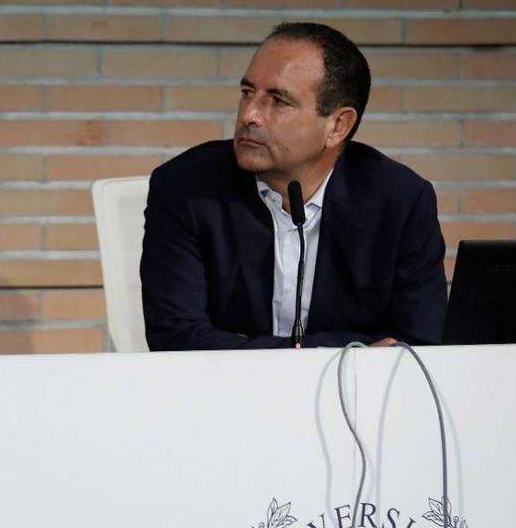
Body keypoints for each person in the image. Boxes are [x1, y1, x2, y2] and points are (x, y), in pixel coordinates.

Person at [140, 22, 446, 351]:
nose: (250, 115)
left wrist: (247, 347)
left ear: (337, 126)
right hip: (223, 395)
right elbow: (175, 338)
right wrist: (339, 352)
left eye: (278, 101)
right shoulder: (184, 187)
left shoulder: (400, 201)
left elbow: (419, 341)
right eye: (247, 93)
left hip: (355, 399)